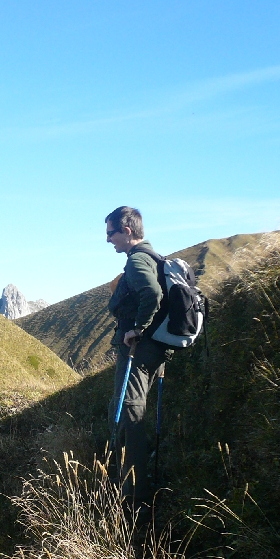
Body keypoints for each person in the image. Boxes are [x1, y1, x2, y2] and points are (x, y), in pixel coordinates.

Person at [105, 206, 169, 509]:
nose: (108, 241)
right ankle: (134, 484)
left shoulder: (137, 260)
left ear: (126, 231)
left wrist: (136, 331)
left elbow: (152, 295)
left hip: (138, 351)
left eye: (111, 233)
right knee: (134, 414)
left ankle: (133, 497)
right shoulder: (154, 258)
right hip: (154, 350)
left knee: (130, 416)